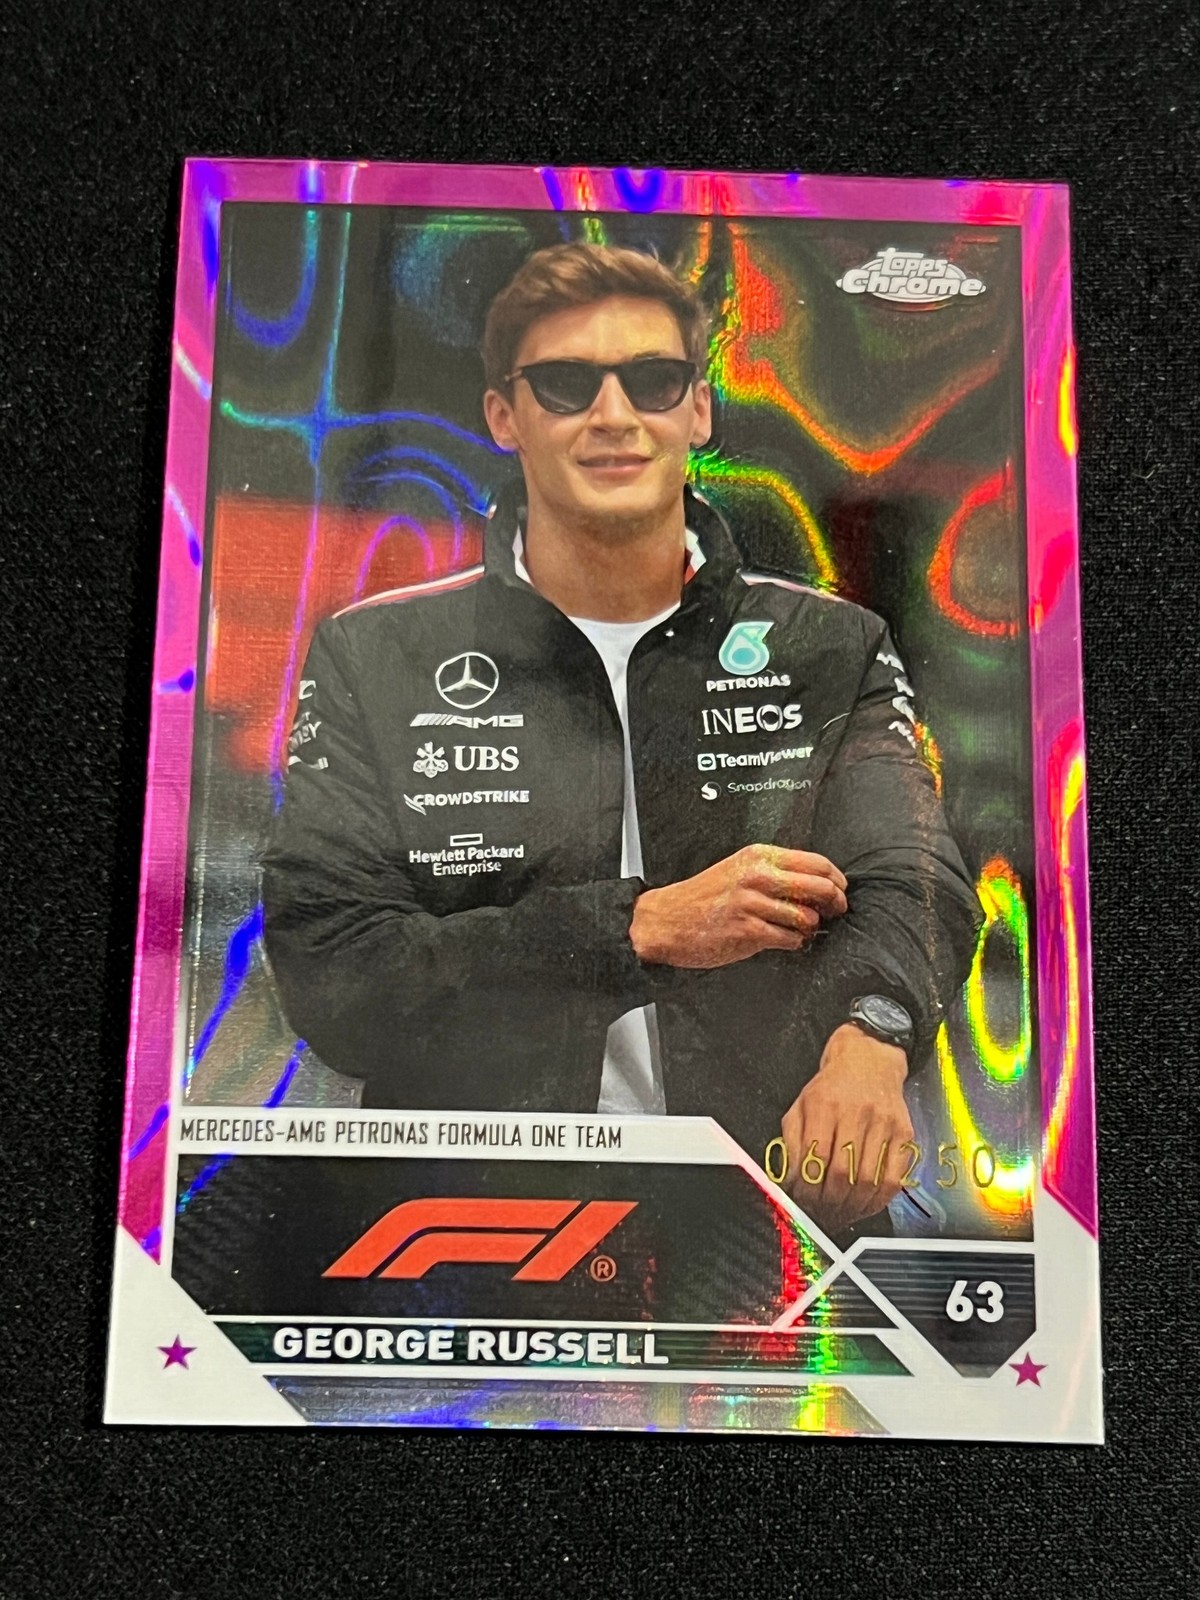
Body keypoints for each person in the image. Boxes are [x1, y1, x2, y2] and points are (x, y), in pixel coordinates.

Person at [261, 243, 982, 1236]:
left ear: (698, 410)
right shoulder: (374, 656)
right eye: (566, 384)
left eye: (652, 380)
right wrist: (634, 929)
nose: (613, 415)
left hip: (765, 1220)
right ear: (503, 416)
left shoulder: (829, 646)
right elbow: (334, 969)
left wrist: (873, 1034)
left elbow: (916, 880)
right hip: (465, 1220)